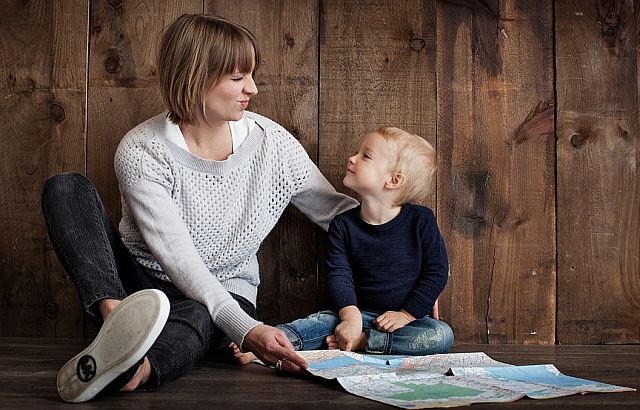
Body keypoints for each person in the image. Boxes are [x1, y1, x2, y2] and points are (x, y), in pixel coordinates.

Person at [41, 13, 357, 403]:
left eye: (251, 76)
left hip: (224, 292)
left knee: (199, 314)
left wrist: (416, 250)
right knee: (65, 188)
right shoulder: (143, 150)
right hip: (138, 286)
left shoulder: (272, 144)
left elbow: (337, 213)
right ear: (196, 76)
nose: (253, 89)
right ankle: (117, 323)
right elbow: (178, 259)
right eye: (238, 78)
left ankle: (134, 368)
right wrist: (248, 331)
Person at [233, 127, 453, 364]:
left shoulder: (421, 221)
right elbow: (339, 275)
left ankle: (365, 342)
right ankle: (265, 345)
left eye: (365, 156)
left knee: (441, 335)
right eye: (358, 152)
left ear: (394, 180)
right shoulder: (343, 225)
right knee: (317, 324)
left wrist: (407, 314)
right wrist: (350, 317)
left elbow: (437, 272)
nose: (352, 158)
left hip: (405, 321)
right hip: (355, 312)